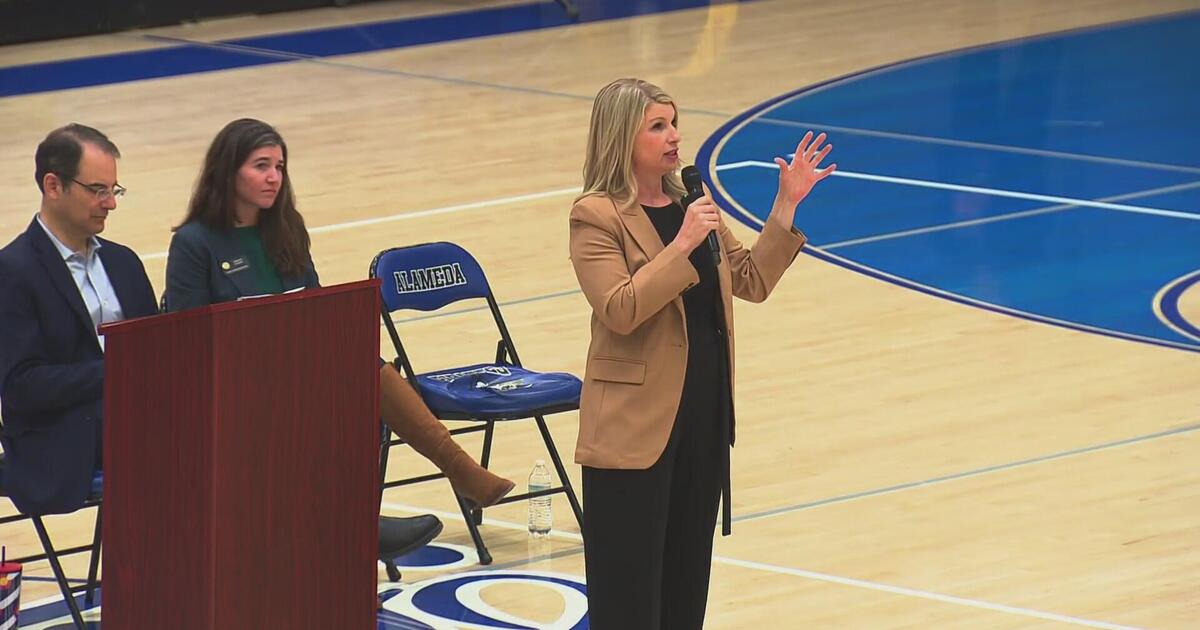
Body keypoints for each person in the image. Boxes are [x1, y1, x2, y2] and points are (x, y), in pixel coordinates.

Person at [567, 78, 836, 630]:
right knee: (629, 599)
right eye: (658, 126)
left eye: (675, 123)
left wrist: (785, 205)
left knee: (686, 587)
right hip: (633, 429)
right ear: (622, 137)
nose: (674, 137)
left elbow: (752, 279)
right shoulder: (596, 216)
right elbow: (620, 308)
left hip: (703, 416)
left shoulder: (693, 201)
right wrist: (683, 244)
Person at [163, 118, 515, 511]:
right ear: (227, 171)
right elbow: (185, 339)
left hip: (296, 369)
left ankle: (448, 473)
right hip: (235, 382)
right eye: (261, 166)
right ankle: (367, 520)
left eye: (279, 167)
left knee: (367, 367)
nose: (273, 177)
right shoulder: (195, 243)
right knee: (351, 385)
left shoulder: (286, 227)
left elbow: (316, 307)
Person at [0, 124, 158, 516]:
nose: (110, 203)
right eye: (97, 190)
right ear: (53, 186)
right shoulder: (12, 271)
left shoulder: (124, 262)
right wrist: (115, 372)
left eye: (114, 190)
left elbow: (158, 350)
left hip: (139, 424)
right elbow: (21, 388)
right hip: (63, 441)